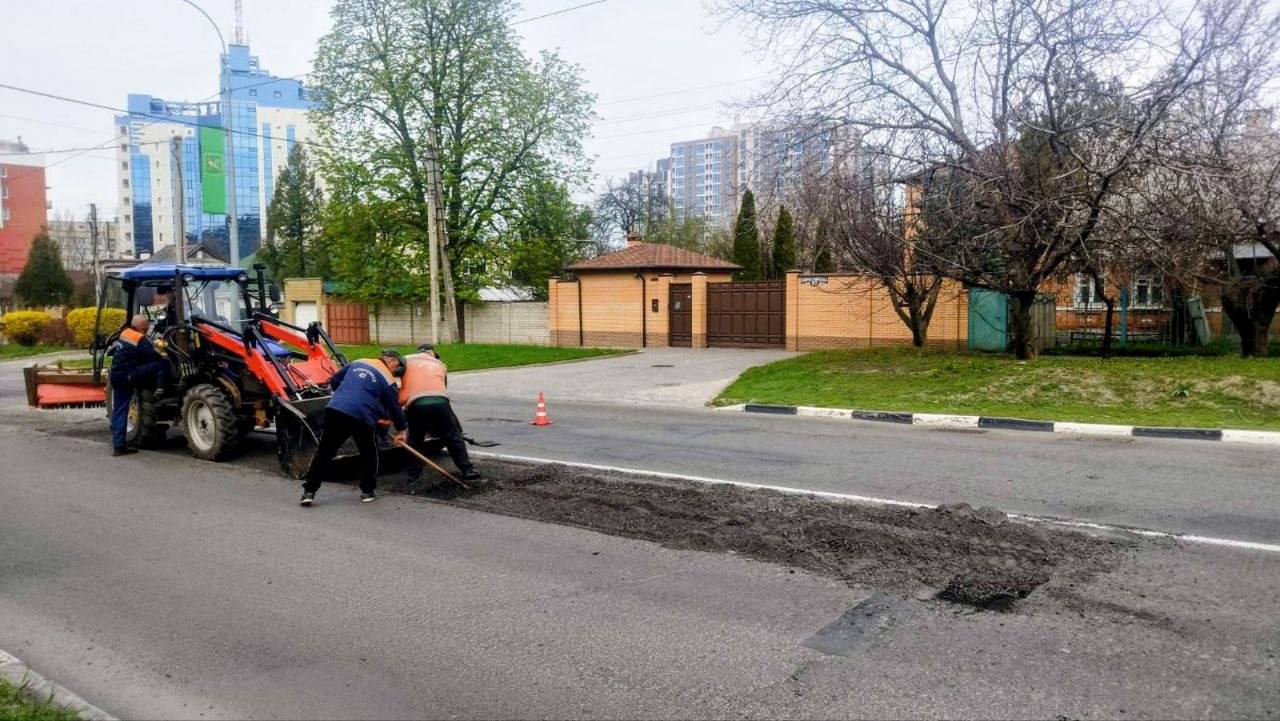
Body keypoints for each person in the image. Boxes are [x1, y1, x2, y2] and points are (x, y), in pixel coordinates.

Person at [300, 350, 408, 506]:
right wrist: (402, 430)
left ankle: (309, 492)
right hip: (362, 416)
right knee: (369, 453)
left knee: (324, 451)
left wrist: (346, 396)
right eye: (397, 367)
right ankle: (367, 491)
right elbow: (394, 408)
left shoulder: (359, 361)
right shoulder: (388, 379)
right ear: (390, 360)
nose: (396, 371)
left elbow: (335, 381)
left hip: (335, 410)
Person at [400, 343, 482, 483]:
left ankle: (413, 474)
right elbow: (442, 388)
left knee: (415, 439)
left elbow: (396, 381)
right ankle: (467, 470)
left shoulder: (405, 359)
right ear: (431, 353)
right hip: (441, 404)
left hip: (416, 404)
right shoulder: (441, 364)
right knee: (452, 436)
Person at [109, 314, 169, 457]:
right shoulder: (140, 338)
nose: (149, 327)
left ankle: (118, 444)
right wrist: (163, 353)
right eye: (147, 325)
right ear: (143, 327)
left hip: (116, 375)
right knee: (163, 363)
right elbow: (153, 356)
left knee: (119, 410)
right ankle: (160, 388)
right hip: (128, 375)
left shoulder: (124, 333)